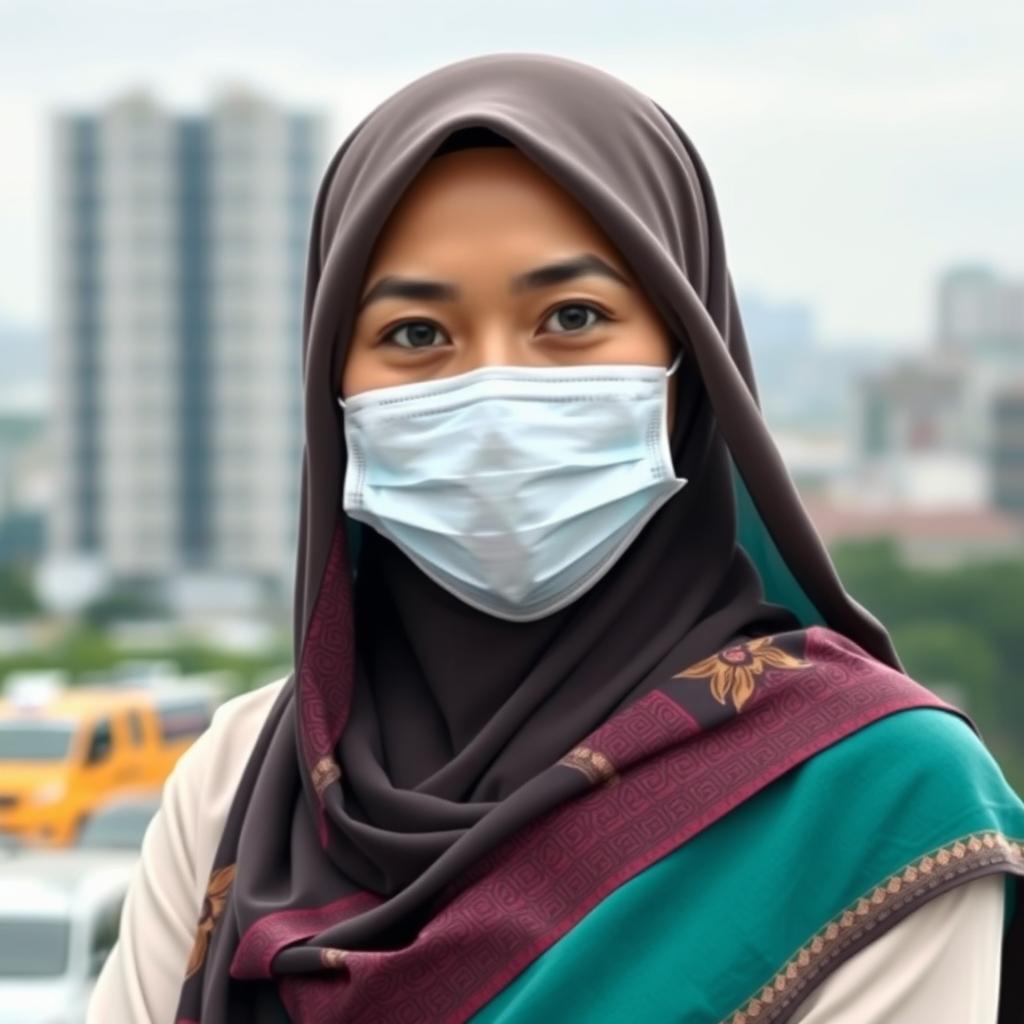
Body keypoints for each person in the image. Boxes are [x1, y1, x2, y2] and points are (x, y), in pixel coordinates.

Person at [87, 53, 1024, 1023]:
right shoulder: (243, 781)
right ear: (334, 388)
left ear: (686, 367)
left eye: (571, 318)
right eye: (414, 333)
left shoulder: (869, 804)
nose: (493, 396)